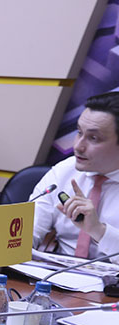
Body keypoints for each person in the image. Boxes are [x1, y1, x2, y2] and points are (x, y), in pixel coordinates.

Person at [31, 91, 119, 262]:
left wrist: (98, 230)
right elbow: (29, 230)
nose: (78, 146)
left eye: (94, 138)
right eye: (79, 132)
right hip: (55, 273)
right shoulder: (64, 171)